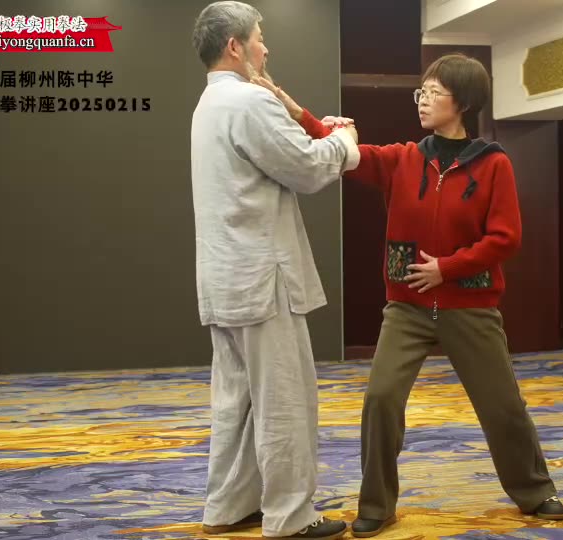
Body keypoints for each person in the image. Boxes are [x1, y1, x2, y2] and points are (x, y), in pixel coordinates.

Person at [254, 53, 563, 537]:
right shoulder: (403, 158)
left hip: (470, 307)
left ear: (462, 103)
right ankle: (377, 504)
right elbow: (348, 156)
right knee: (380, 399)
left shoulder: (494, 164)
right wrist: (294, 110)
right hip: (407, 308)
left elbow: (505, 239)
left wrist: (447, 268)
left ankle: (535, 490)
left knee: (503, 406)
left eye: (434, 93)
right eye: (421, 92)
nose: (422, 100)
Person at [189, 2, 360, 539]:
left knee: (236, 403)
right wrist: (345, 142)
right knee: (285, 400)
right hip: (264, 280)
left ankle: (227, 507)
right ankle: (290, 516)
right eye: (260, 37)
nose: (266, 48)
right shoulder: (248, 101)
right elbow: (307, 168)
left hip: (226, 279)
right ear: (234, 46)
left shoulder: (209, 103)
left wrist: (314, 133)